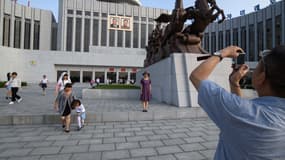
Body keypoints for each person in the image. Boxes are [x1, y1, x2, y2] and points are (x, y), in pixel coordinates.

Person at [190, 45, 285, 160]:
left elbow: (197, 77)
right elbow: (241, 117)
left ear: (262, 78)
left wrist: (223, 53)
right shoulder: (248, 113)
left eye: (258, 66)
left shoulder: (242, 112)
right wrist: (234, 82)